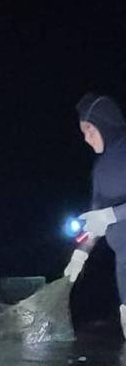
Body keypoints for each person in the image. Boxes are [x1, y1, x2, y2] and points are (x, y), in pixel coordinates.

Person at [66, 92, 126, 337]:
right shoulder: (100, 169)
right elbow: (95, 220)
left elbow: (106, 216)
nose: (87, 138)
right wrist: (80, 254)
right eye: (83, 133)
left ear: (105, 123)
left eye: (90, 129)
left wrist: (113, 214)